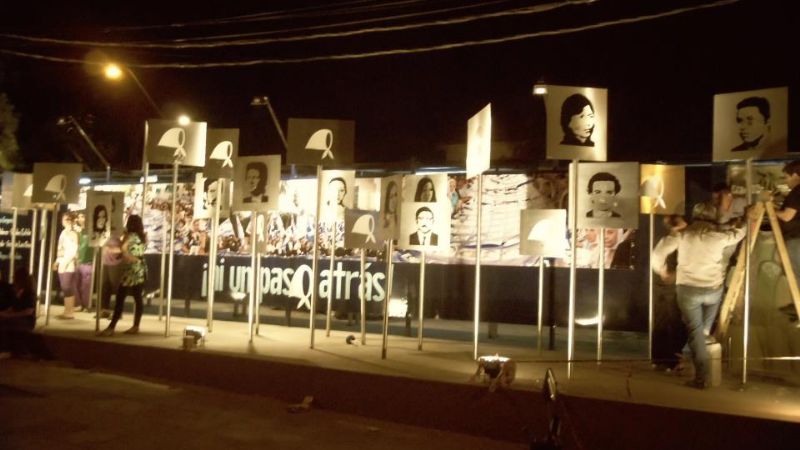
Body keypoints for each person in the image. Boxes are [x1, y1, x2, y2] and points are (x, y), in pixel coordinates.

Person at [651, 202, 750, 389]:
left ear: (694, 216)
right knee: (703, 332)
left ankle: (701, 376)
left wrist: (663, 271)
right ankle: (696, 350)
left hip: (688, 290)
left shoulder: (683, 235)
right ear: (713, 219)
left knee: (695, 332)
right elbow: (740, 233)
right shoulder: (718, 237)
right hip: (713, 289)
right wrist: (745, 220)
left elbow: (658, 253)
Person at [99, 215, 147, 336]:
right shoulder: (143, 236)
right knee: (138, 297)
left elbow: (123, 248)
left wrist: (112, 250)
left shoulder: (129, 236)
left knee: (120, 297)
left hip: (131, 269)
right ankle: (136, 325)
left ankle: (111, 327)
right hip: (140, 267)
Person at [773, 160, 800, 320]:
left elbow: (787, 216)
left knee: (795, 273)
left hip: (796, 238)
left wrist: (770, 208)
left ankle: (797, 306)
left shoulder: (797, 191)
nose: (786, 181)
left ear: (795, 175)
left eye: (787, 177)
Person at [0, 268, 37, 357]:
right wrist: (4, 312)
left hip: (27, 321)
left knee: (4, 323)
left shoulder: (29, 293)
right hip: (19, 317)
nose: (13, 279)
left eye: (14, 277)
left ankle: (6, 350)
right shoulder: (19, 292)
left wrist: (10, 316)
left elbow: (28, 311)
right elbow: (13, 307)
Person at [54, 211, 79, 319]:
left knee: (67, 286)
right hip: (62, 262)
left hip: (68, 264)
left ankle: (70, 312)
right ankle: (67, 310)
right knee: (64, 287)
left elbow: (73, 251)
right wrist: (57, 261)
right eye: (65, 219)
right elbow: (60, 248)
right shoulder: (63, 232)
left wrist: (66, 262)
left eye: (69, 219)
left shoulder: (73, 233)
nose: (67, 222)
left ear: (73, 221)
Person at [99, 230, 123, 319]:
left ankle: (118, 312)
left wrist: (110, 249)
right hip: (106, 263)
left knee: (117, 288)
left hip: (116, 264)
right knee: (105, 286)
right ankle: (104, 310)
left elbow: (124, 248)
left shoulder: (120, 233)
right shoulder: (104, 233)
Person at [74, 212, 93, 313]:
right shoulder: (77, 231)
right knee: (75, 283)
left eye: (83, 216)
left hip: (88, 262)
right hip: (78, 261)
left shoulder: (91, 230)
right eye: (79, 217)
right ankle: (78, 304)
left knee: (86, 286)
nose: (81, 219)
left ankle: (86, 305)